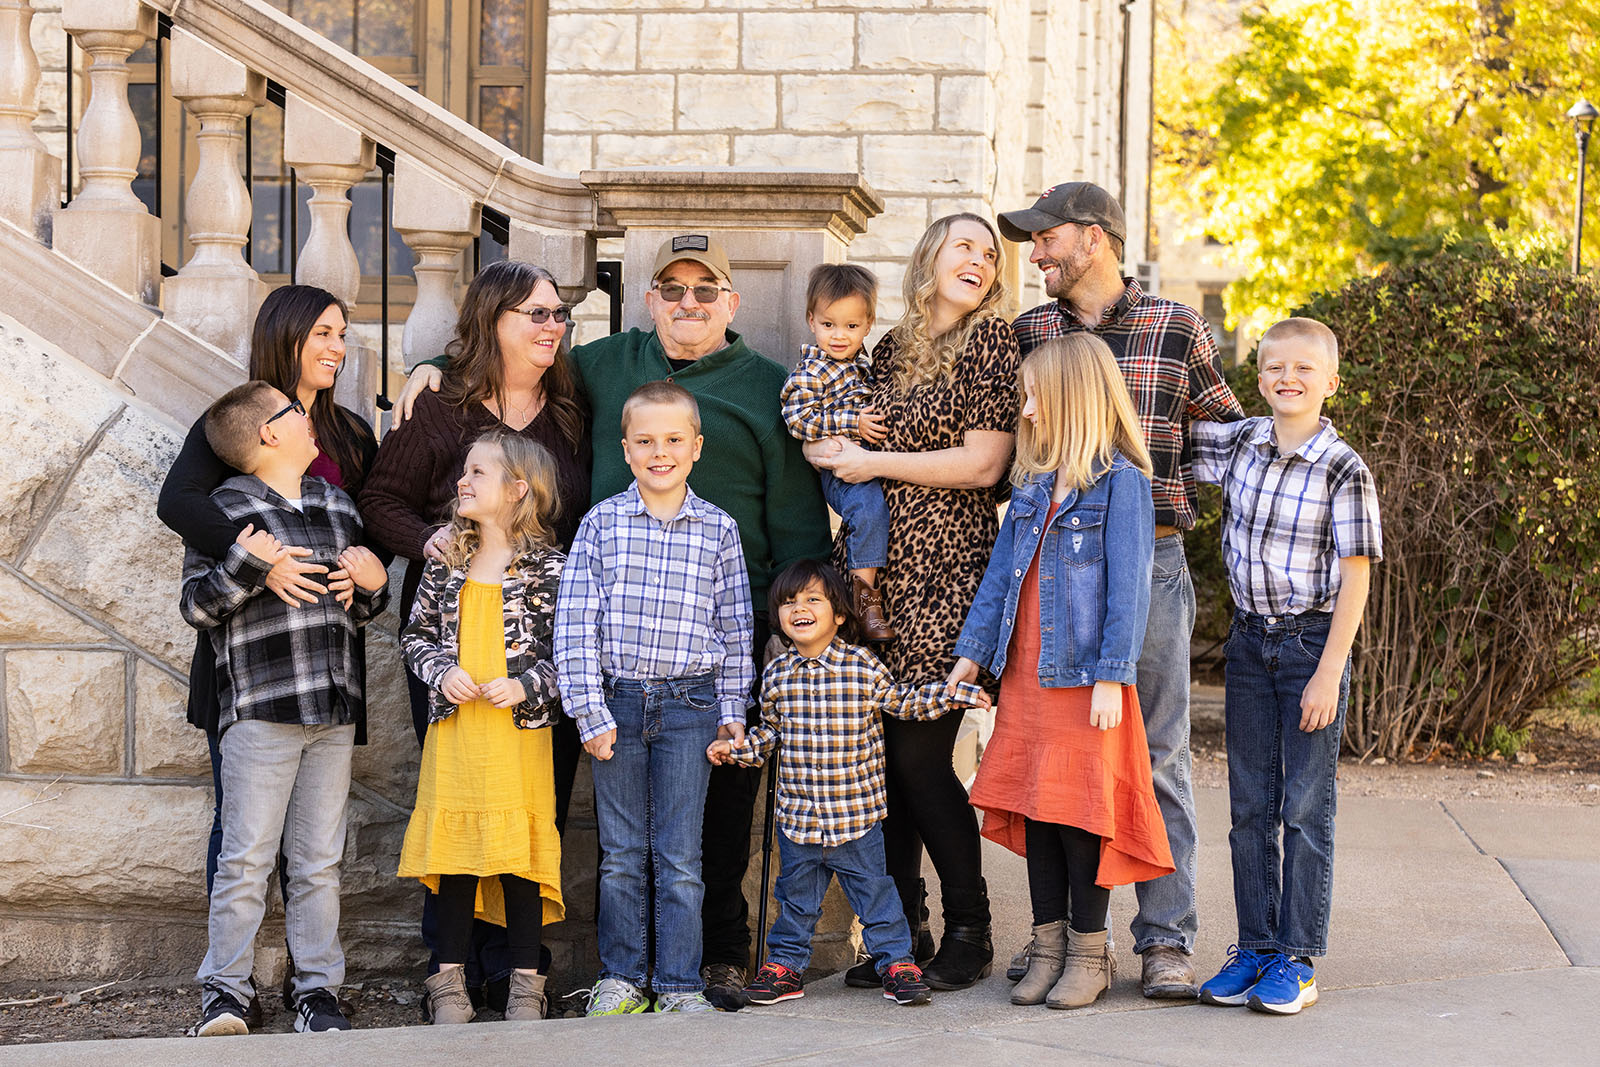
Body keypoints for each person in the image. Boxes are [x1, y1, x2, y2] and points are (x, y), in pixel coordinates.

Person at [397, 234, 830, 1005]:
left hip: (724, 638)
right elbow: (510, 352)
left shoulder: (768, 385)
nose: (688, 303)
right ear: (648, 299)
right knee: (623, 840)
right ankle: (617, 973)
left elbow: (798, 520)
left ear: (731, 302)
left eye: (706, 290)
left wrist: (789, 625)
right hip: (613, 657)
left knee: (717, 822)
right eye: (672, 289)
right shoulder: (599, 366)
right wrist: (432, 365)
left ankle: (715, 958)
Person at [1000, 182, 1244, 997]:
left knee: (1156, 750)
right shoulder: (1033, 330)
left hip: (1155, 564)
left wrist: (1183, 505)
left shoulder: (1176, 325)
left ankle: (1165, 938)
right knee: (1060, 763)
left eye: (1046, 238)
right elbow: (1018, 438)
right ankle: (1070, 941)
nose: (1034, 253)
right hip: (1059, 570)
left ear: (1094, 238)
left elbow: (1224, 430)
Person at [359, 260, 591, 1008]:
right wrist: (433, 542)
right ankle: (450, 966)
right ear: (494, 319)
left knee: (534, 804)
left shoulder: (567, 408)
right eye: (537, 313)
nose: (553, 326)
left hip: (538, 647)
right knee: (458, 799)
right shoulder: (439, 408)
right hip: (457, 633)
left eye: (559, 314)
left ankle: (515, 966)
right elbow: (379, 498)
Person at [805, 213, 1020, 991]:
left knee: (920, 758)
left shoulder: (995, 343)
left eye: (990, 253)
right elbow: (828, 424)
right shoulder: (888, 348)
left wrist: (871, 462)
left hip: (950, 570)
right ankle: (901, 934)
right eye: (965, 244)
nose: (980, 259)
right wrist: (833, 446)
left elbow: (982, 463)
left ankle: (972, 927)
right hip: (873, 579)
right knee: (880, 765)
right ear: (930, 256)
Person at [156, 284, 381, 1025]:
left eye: (342, 333)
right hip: (259, 701)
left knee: (319, 860)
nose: (337, 347)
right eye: (322, 332)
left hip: (332, 704)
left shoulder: (339, 491)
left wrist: (370, 582)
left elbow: (360, 583)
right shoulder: (229, 483)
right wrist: (253, 561)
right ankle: (226, 988)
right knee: (245, 852)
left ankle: (317, 989)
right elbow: (196, 594)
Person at [948, 334, 1174, 1010]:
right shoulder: (1033, 490)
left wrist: (1113, 673)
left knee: (1080, 815)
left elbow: (1130, 586)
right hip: (1025, 678)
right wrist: (972, 656)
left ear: (1071, 395)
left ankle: (1088, 951)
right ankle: (1046, 949)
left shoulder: (1123, 484)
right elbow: (998, 583)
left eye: (1034, 391)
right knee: (1037, 812)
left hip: (1085, 683)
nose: (1025, 403)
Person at [1189, 318, 1381, 1015]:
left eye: (1304, 368)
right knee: (1249, 806)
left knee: (1302, 807)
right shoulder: (1243, 441)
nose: (1288, 378)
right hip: (1247, 646)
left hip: (1309, 647)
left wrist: (1331, 669)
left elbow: (1356, 576)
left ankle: (1297, 957)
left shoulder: (1343, 467)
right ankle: (1255, 945)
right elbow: (1161, 437)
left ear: (1330, 382)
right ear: (1259, 376)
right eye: (1274, 367)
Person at [555, 381, 754, 1015]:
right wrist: (589, 710)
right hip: (620, 701)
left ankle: (677, 982)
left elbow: (736, 629)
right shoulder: (601, 523)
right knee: (619, 854)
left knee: (680, 855)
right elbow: (574, 623)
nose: (659, 452)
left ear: (696, 447)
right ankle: (621, 977)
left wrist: (731, 715)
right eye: (645, 441)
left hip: (693, 708)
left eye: (673, 440)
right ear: (626, 449)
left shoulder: (718, 529)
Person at [709, 560, 989, 1008]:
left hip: (854, 817)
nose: (798, 608)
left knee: (876, 896)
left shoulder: (862, 666)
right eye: (787, 602)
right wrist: (736, 749)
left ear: (840, 614)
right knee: (795, 900)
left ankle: (897, 963)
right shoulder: (778, 677)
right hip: (799, 818)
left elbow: (904, 702)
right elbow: (769, 734)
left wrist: (952, 694)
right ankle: (785, 967)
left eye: (812, 599)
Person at [398, 431, 570, 1025]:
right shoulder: (447, 558)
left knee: (519, 859)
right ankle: (447, 985)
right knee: (455, 859)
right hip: (457, 731)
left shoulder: (552, 567)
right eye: (463, 472)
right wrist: (441, 671)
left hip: (518, 734)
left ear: (517, 490)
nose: (461, 482)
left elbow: (573, 652)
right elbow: (415, 636)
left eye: (478, 473)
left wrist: (527, 683)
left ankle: (527, 984)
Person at [780, 265, 895, 640]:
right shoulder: (811, 371)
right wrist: (851, 422)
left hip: (866, 460)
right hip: (837, 470)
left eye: (850, 326)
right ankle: (865, 601)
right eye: (829, 325)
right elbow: (797, 420)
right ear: (812, 321)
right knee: (869, 507)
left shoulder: (864, 366)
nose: (839, 336)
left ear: (868, 325)